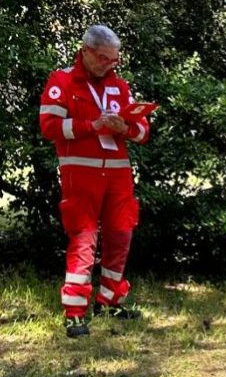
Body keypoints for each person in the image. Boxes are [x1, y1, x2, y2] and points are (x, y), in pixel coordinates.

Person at [38, 25, 151, 339]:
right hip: (82, 174)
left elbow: (143, 132)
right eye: (103, 59)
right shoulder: (62, 81)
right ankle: (75, 312)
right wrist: (93, 125)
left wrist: (124, 129)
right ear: (85, 51)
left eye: (113, 60)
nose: (108, 65)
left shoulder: (119, 87)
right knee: (84, 241)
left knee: (121, 235)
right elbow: (49, 126)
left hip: (118, 175)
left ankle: (111, 300)